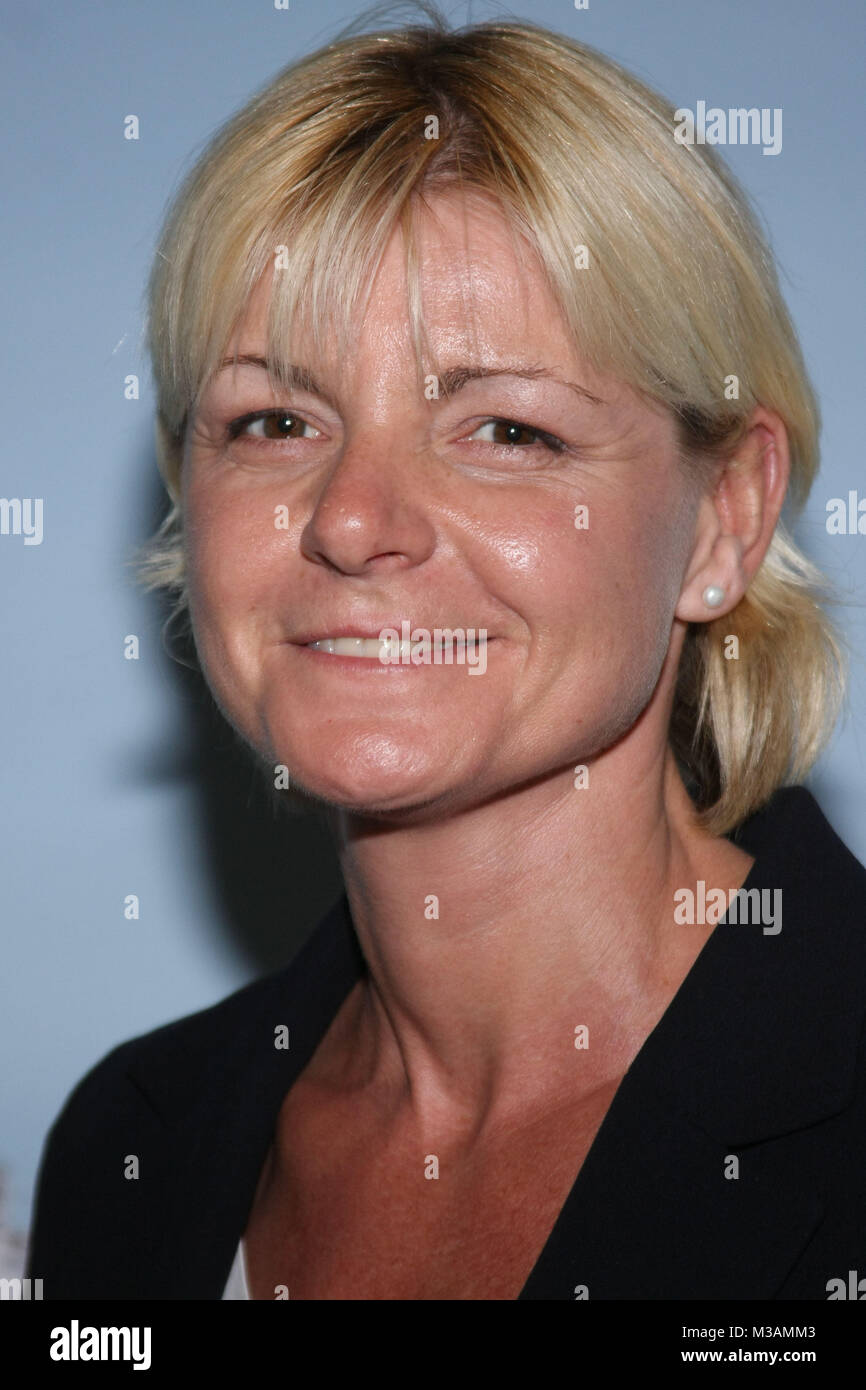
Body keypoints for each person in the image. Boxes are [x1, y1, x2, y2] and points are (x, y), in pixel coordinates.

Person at [27, 12, 866, 1301]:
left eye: (507, 430)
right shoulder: (132, 1144)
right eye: (274, 417)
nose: (354, 519)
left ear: (723, 520)